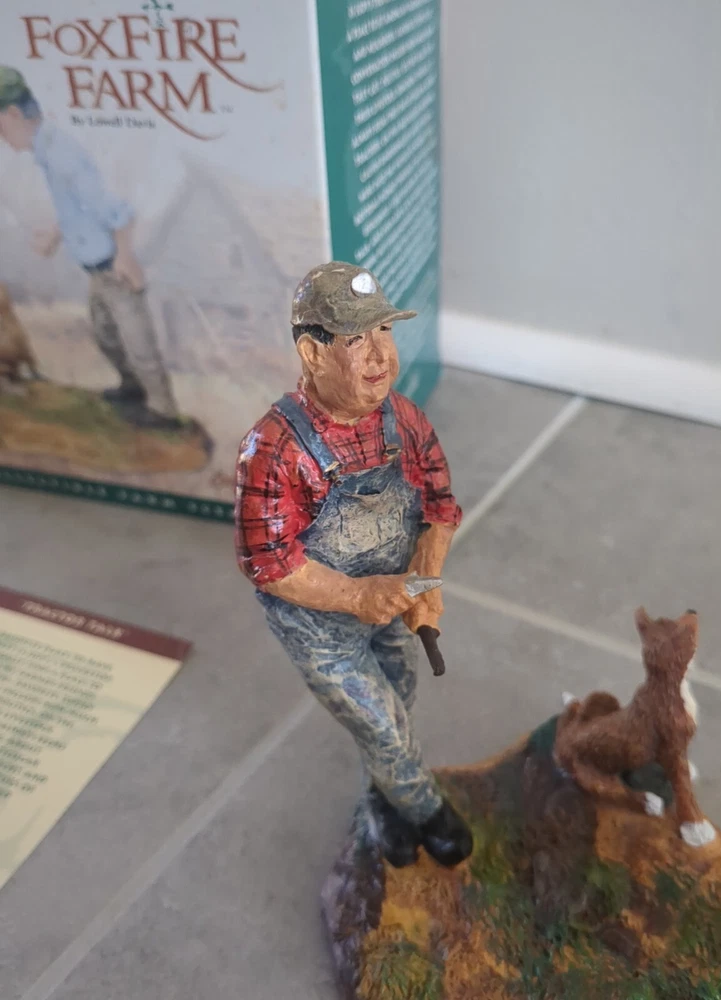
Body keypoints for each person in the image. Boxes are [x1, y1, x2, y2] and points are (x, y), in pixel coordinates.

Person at [235, 261, 473, 868]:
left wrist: (427, 579)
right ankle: (428, 811)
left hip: (390, 603)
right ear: (313, 353)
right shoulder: (275, 449)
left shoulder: (405, 420)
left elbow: (440, 506)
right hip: (321, 631)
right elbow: (269, 564)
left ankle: (381, 803)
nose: (380, 355)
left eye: (384, 332)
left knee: (398, 703)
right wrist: (356, 597)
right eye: (356, 339)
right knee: (385, 726)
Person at [0, 66, 178, 427]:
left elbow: (114, 210)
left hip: (113, 266)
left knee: (137, 341)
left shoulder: (60, 154)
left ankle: (163, 410)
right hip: (96, 268)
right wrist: (55, 235)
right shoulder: (47, 151)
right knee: (106, 334)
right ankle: (132, 388)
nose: (3, 139)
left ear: (14, 114)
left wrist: (125, 256)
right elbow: (77, 208)